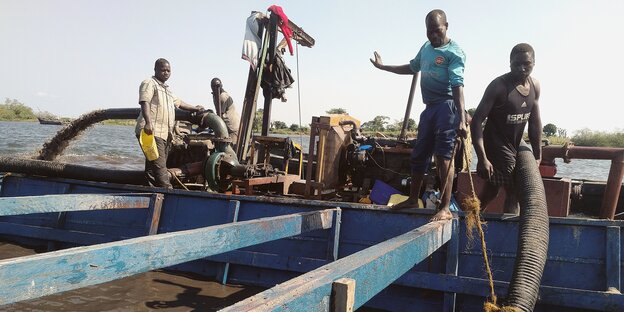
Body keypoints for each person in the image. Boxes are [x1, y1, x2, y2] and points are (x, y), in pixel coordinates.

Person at [370, 9, 467, 221]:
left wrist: (461, 118)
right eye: (429, 31)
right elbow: (412, 67)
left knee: (443, 159)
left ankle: (444, 208)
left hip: (447, 107)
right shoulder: (426, 48)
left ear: (447, 26)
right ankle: (413, 198)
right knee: (418, 156)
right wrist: (383, 67)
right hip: (429, 108)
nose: (433, 35)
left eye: (437, 31)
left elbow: (458, 86)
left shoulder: (454, 53)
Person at [470, 43, 542, 213]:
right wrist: (482, 158)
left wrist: (538, 155)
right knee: (515, 191)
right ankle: (511, 232)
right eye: (516, 64)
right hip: (496, 144)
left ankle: (472, 217)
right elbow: (477, 121)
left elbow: (534, 122)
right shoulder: (499, 86)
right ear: (509, 63)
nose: (522, 68)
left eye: (527, 64)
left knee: (492, 190)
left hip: (516, 143)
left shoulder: (535, 86)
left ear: (534, 63)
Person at [135, 58, 203, 188]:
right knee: (160, 168)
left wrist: (195, 108)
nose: (166, 73)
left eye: (168, 70)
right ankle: (168, 192)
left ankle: (150, 192)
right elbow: (145, 102)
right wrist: (148, 123)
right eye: (163, 70)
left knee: (152, 166)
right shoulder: (149, 83)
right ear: (155, 70)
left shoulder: (166, 90)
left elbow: (180, 103)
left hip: (164, 134)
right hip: (151, 132)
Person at [210, 77, 240, 144]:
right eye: (213, 86)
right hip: (226, 126)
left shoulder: (223, 96)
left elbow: (220, 115)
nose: (215, 88)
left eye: (217, 86)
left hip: (232, 127)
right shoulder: (215, 95)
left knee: (231, 149)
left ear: (221, 85)